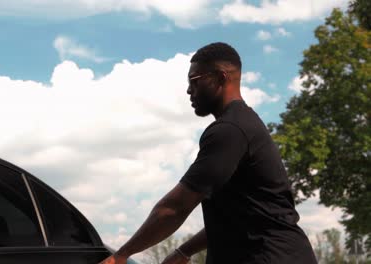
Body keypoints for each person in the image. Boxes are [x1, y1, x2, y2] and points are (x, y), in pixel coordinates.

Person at [99, 42, 317, 264]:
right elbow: (239, 219)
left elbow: (175, 207)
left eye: (194, 81)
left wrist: (120, 256)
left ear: (220, 78)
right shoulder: (241, 125)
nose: (188, 90)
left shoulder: (230, 130)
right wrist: (183, 251)